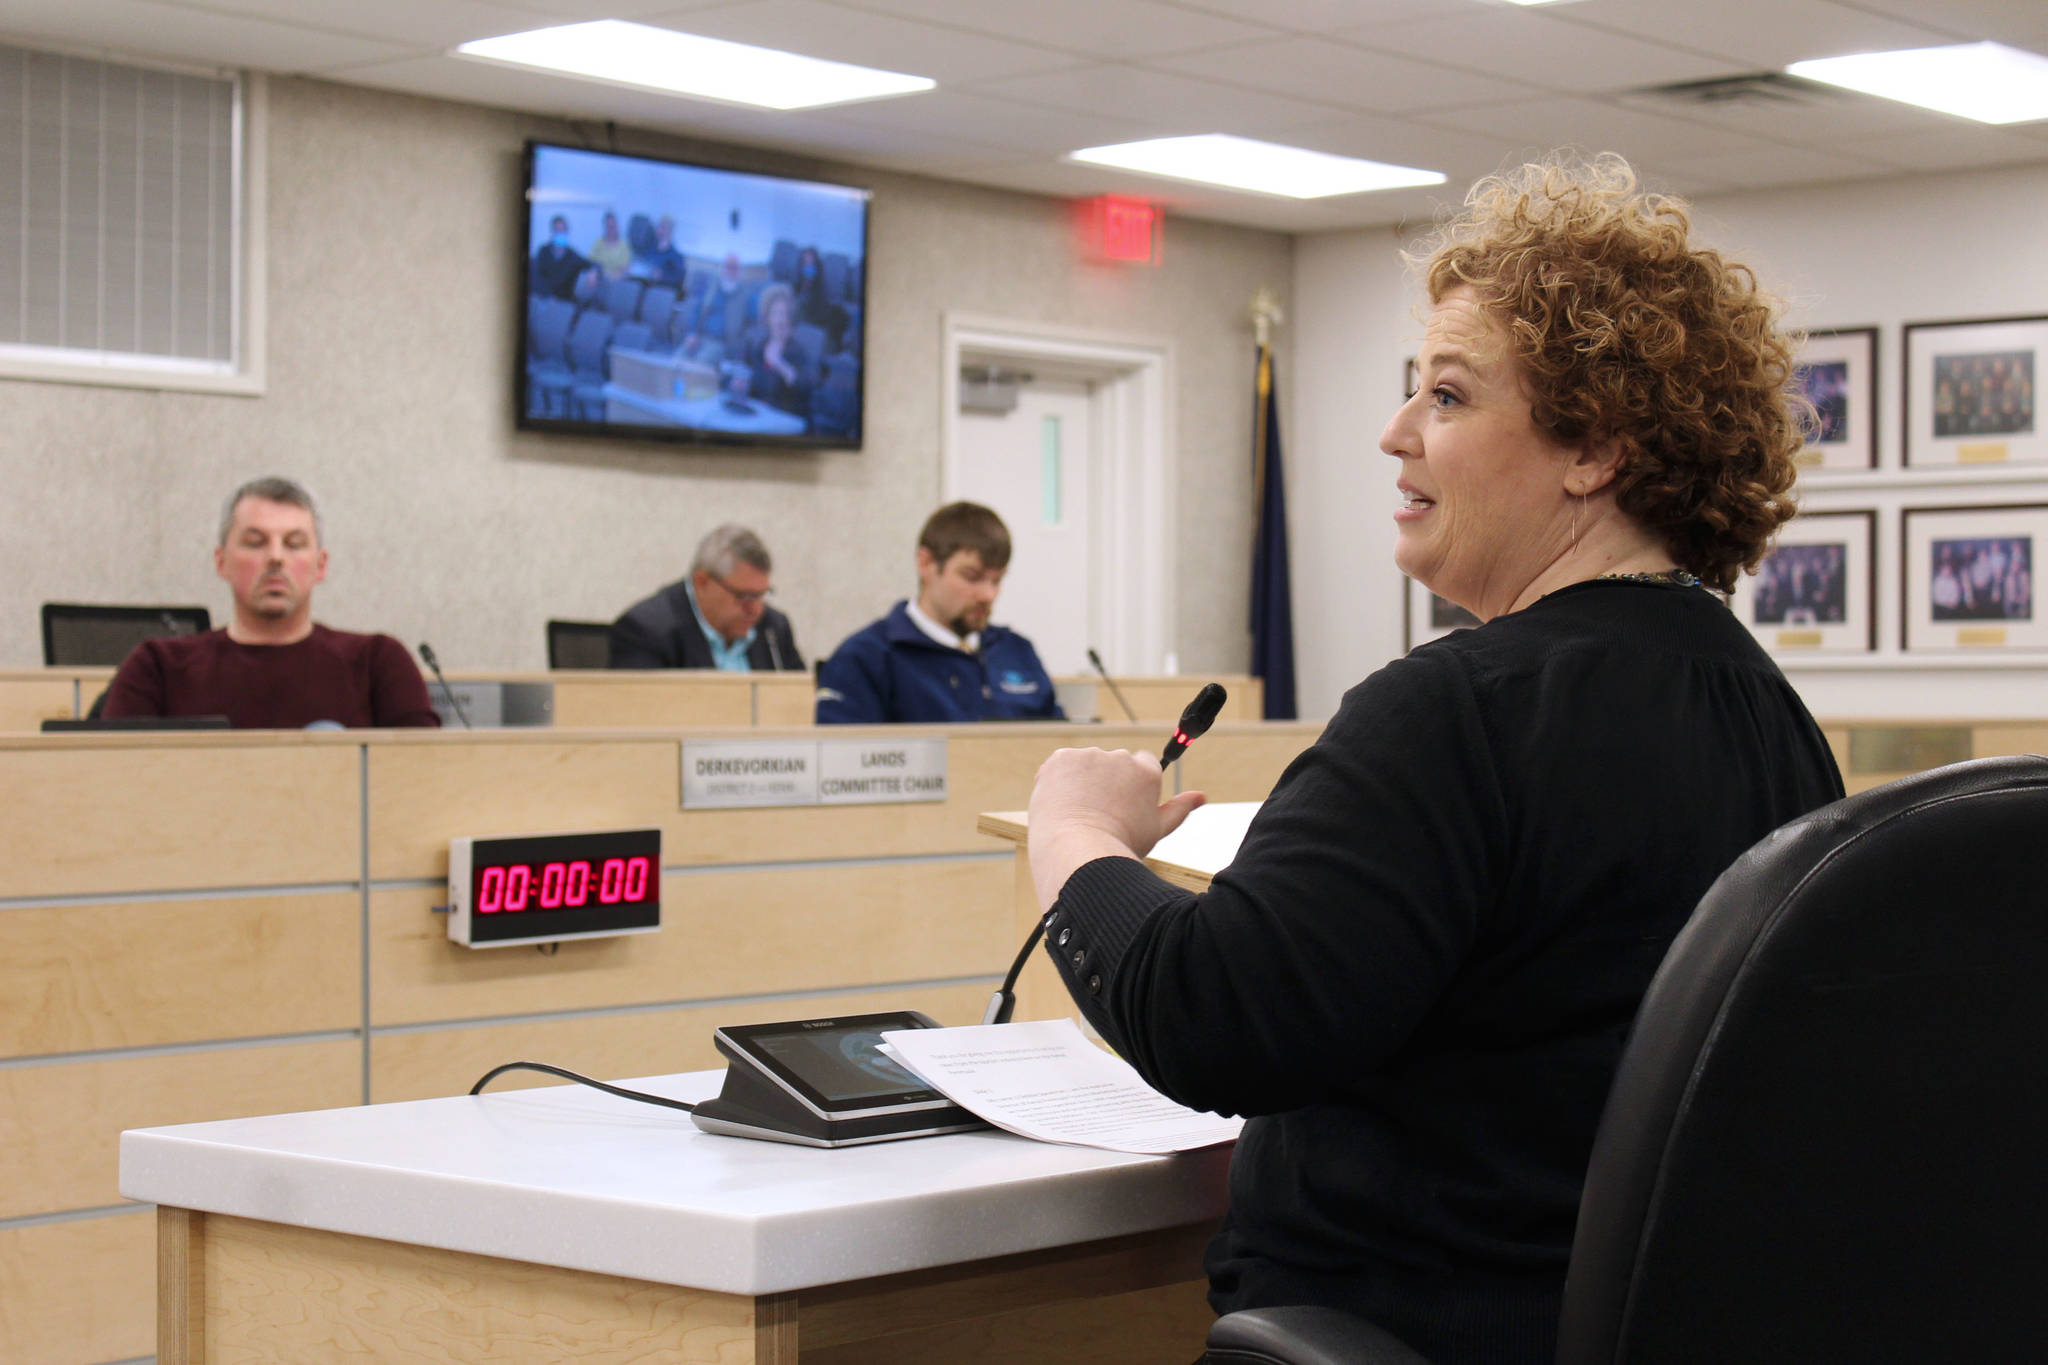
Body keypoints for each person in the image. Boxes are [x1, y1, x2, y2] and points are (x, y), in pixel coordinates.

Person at [1022, 154, 1845, 1365]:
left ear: (1593, 451)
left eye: (1448, 398)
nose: (1394, 432)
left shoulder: (1458, 712)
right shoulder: (1767, 719)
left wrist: (1073, 835)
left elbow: (1217, 1021)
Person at [103, 477, 440, 729]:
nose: (276, 558)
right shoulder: (157, 668)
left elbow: (425, 781)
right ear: (221, 562)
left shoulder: (378, 663)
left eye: (294, 544)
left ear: (320, 565)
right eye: (255, 542)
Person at [816, 502, 1063, 723]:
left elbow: (1057, 749)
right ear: (926, 564)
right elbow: (844, 766)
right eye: (972, 577)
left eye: (997, 580)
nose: (988, 595)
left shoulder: (1017, 651)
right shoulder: (866, 658)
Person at [608, 525, 803, 671]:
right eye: (745, 596)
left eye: (762, 595)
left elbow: (800, 707)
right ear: (702, 582)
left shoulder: (774, 629)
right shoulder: (646, 631)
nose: (756, 609)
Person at [741, 284, 812, 419]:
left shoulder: (798, 351)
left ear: (790, 319)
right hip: (756, 416)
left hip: (784, 418)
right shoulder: (758, 347)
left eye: (784, 314)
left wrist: (780, 364)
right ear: (767, 318)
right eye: (774, 314)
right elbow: (751, 386)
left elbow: (805, 391)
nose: (780, 320)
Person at [682, 253, 749, 364]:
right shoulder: (711, 288)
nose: (731, 271)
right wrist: (692, 333)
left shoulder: (745, 296)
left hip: (721, 344)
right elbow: (696, 311)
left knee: (699, 363)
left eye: (735, 268)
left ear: (739, 272)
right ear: (723, 269)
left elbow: (748, 325)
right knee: (678, 358)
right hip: (700, 337)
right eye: (728, 267)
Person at [530, 215, 591, 301]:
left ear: (567, 231)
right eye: (557, 230)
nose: (560, 233)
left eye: (563, 230)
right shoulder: (543, 251)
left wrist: (594, 272)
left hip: (564, 303)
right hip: (543, 299)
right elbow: (535, 276)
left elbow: (592, 264)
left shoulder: (572, 256)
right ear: (553, 232)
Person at [588, 211, 632, 280]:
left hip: (618, 282)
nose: (611, 229)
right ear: (605, 227)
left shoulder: (624, 246)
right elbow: (592, 263)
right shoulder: (598, 243)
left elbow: (625, 270)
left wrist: (612, 279)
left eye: (613, 226)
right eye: (609, 226)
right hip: (600, 281)